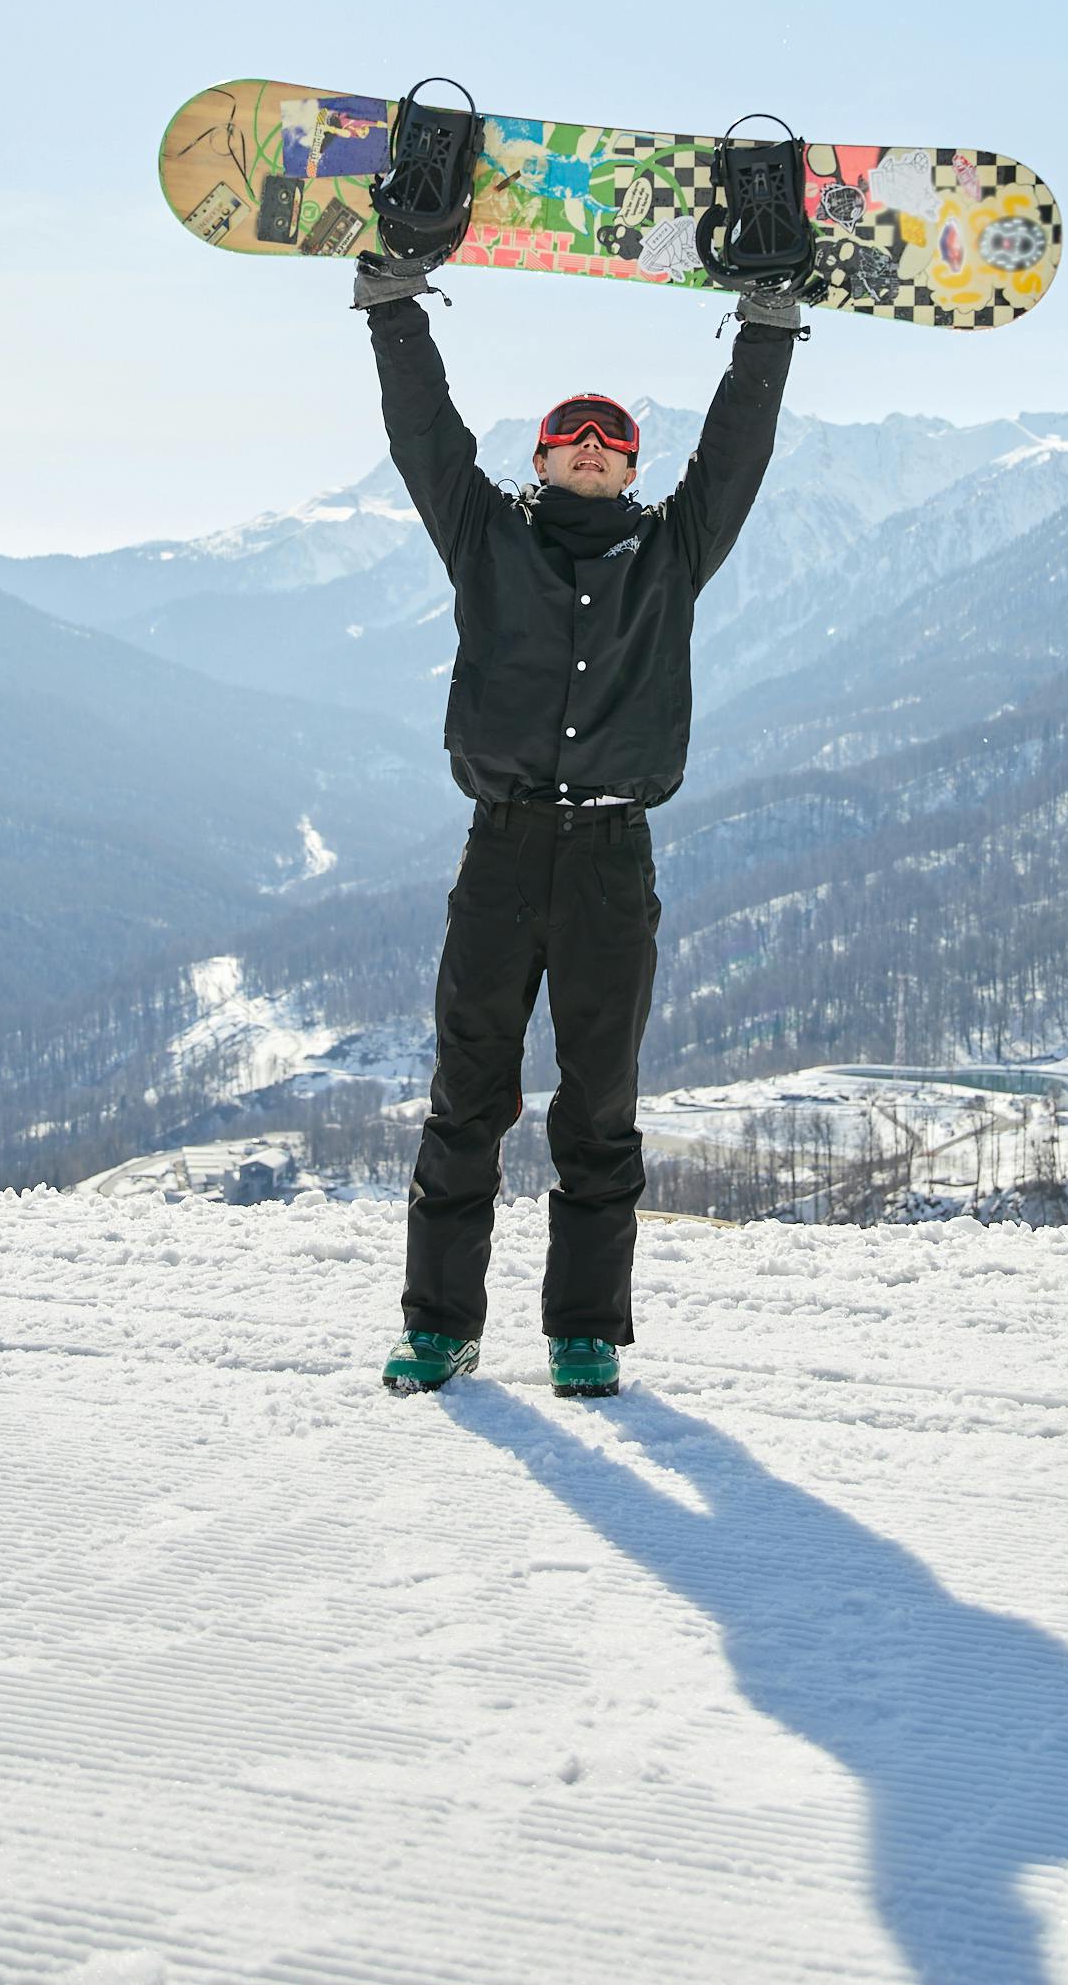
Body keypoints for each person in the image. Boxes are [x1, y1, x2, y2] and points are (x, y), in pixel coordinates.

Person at [352, 242, 803, 1397]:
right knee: (466, 1099)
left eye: (612, 440)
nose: (594, 449)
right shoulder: (482, 537)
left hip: (611, 857)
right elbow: (424, 436)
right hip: (501, 849)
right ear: (542, 456)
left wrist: (766, 325)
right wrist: (393, 305)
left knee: (598, 1108)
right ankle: (437, 1324)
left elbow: (736, 458)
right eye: (573, 435)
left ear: (632, 467)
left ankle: (583, 1331)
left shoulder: (673, 553)